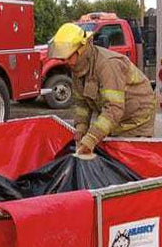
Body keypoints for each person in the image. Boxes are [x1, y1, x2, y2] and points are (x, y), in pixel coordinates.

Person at [47, 22, 155, 154]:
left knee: (131, 160)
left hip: (136, 119)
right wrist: (81, 129)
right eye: (63, 58)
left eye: (69, 57)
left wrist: (92, 138)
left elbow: (114, 108)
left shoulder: (107, 65)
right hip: (117, 117)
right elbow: (82, 104)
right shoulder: (78, 68)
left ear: (81, 49)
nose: (66, 62)